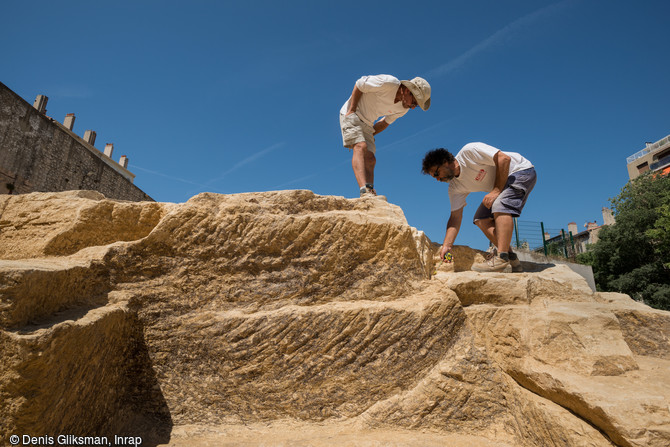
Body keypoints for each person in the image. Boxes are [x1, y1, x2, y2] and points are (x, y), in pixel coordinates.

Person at [421, 143, 537, 272]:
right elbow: (455, 217)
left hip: (520, 171)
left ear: (444, 162)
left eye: (436, 173)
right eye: (434, 177)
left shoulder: (469, 152)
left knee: (499, 205)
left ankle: (501, 257)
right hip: (501, 186)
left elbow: (504, 159)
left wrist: (496, 190)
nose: (437, 179)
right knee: (481, 219)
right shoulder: (455, 187)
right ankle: (511, 258)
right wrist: (447, 246)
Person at [340, 74, 431, 197]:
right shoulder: (389, 83)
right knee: (360, 147)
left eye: (417, 106)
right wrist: (352, 110)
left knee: (371, 159)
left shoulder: (403, 109)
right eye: (414, 102)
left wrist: (370, 135)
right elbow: (360, 85)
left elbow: (384, 123)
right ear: (408, 90)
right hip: (352, 113)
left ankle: (370, 192)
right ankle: (364, 191)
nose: (413, 107)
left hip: (367, 125)